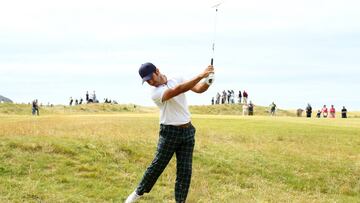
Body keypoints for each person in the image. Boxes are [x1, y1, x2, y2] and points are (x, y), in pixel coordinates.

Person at [125, 62, 214, 203]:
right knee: (157, 166)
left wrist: (208, 80)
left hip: (188, 131)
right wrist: (200, 75)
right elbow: (177, 90)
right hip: (169, 132)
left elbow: (198, 89)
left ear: (157, 71)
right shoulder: (155, 93)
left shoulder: (177, 77)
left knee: (185, 172)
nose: (150, 82)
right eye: (147, 81)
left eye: (151, 78)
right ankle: (137, 193)